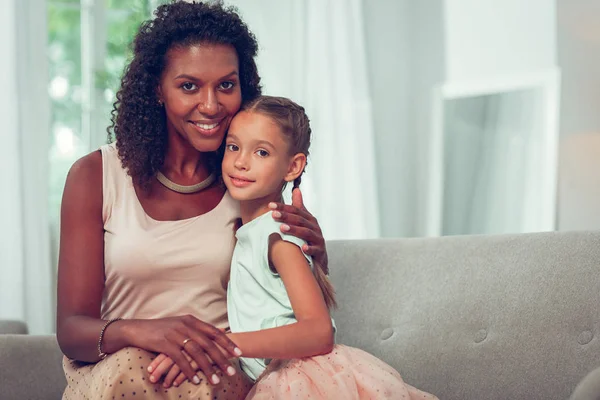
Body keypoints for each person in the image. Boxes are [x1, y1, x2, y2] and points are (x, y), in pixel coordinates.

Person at [56, 3, 329, 399]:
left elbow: (281, 295)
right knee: (136, 368)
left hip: (217, 373)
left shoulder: (245, 178)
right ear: (157, 89)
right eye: (189, 86)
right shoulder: (95, 176)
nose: (211, 105)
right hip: (119, 372)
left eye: (226, 85)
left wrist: (314, 252)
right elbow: (71, 329)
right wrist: (144, 330)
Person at [148, 95, 439, 399]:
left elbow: (319, 332)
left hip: (302, 379)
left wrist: (225, 343)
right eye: (233, 146)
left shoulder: (278, 235)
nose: (241, 161)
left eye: (261, 152)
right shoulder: (251, 232)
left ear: (293, 167)